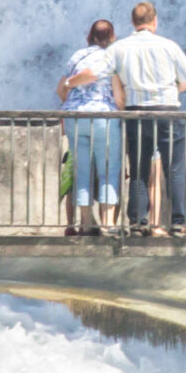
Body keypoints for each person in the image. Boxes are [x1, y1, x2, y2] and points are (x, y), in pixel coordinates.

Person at [113, 1, 186, 237]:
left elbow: (108, 73)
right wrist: (171, 92)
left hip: (136, 111)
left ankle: (138, 222)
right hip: (167, 110)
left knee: (139, 170)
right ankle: (179, 222)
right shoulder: (168, 46)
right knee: (174, 169)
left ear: (133, 22)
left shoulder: (121, 47)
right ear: (155, 21)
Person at [58, 18, 125, 236]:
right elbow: (118, 95)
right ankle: (106, 223)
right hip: (103, 118)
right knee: (108, 170)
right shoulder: (113, 57)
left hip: (75, 118)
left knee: (82, 171)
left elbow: (61, 90)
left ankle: (86, 223)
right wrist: (123, 113)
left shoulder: (77, 56)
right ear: (113, 37)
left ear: (90, 37)